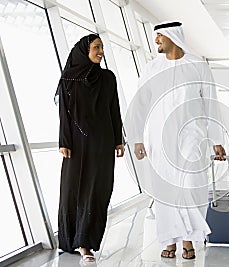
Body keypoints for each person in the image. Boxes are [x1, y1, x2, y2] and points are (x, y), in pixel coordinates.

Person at [125, 21, 225, 260]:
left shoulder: (197, 65)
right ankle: (169, 240)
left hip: (193, 138)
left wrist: (216, 139)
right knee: (165, 191)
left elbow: (210, 102)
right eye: (155, 36)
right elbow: (139, 104)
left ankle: (188, 239)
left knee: (190, 188)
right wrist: (137, 138)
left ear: (172, 36)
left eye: (160, 35)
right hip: (159, 140)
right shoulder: (152, 68)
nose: (156, 40)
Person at [56, 34, 124, 263]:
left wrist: (118, 139)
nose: (101, 51)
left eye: (102, 47)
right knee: (71, 191)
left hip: (102, 143)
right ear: (84, 50)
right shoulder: (69, 78)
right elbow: (64, 113)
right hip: (75, 144)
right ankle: (68, 240)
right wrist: (64, 141)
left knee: (97, 191)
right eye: (96, 47)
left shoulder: (107, 78)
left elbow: (114, 109)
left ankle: (86, 243)